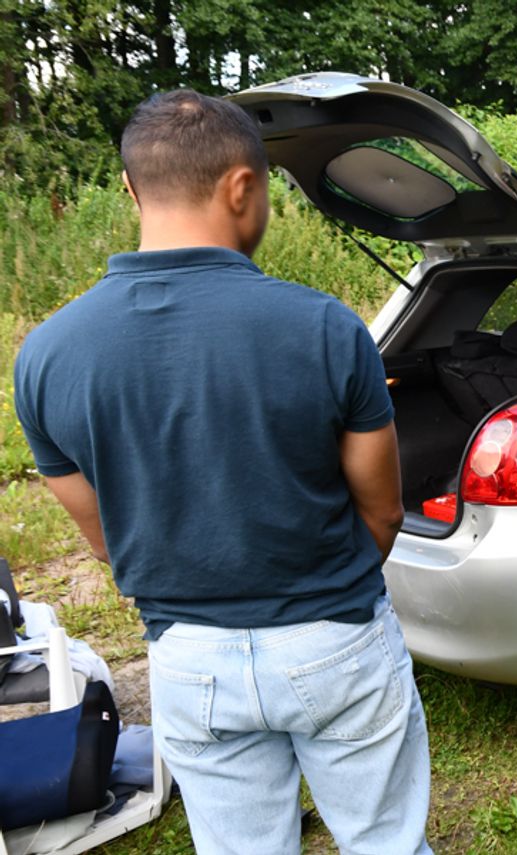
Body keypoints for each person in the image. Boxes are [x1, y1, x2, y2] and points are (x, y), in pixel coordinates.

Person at [13, 89, 431, 855]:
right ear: (244, 186)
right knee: (384, 843)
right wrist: (319, 597)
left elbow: (106, 540)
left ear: (133, 188)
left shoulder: (44, 357)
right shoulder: (326, 327)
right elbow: (382, 512)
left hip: (188, 657)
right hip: (334, 640)